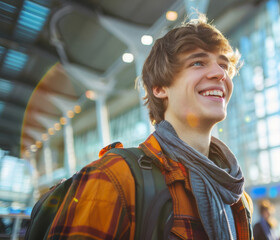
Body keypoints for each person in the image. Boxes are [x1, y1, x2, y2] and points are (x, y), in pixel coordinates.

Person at [46, 14, 253, 239]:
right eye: (197, 62)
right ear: (159, 88)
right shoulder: (115, 178)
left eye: (224, 65)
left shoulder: (237, 198)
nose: (220, 73)